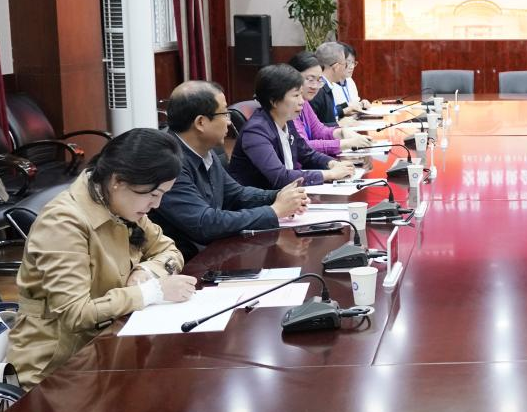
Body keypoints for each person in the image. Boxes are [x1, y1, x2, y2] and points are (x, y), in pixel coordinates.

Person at [7, 129, 197, 388]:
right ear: (118, 180)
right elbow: (76, 314)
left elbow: (169, 251)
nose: (157, 205)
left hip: (108, 347)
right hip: (57, 368)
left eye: (163, 194)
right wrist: (150, 292)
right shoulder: (63, 223)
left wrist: (147, 272)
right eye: (153, 194)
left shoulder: (120, 204)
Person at [151, 80, 309, 259]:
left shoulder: (205, 150)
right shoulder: (168, 162)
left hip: (214, 253)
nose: (228, 122)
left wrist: (279, 196)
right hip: (187, 263)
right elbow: (204, 224)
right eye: (225, 113)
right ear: (201, 122)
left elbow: (236, 194)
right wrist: (275, 211)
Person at [227, 63, 356, 189]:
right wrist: (330, 174)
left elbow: (306, 154)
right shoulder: (256, 132)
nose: (302, 101)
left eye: (301, 94)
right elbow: (280, 177)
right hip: (261, 200)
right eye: (296, 95)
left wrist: (332, 164)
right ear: (274, 101)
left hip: (288, 195)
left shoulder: (287, 120)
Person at [287, 52, 372, 156]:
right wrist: (345, 143)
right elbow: (303, 146)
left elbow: (319, 130)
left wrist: (341, 132)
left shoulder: (304, 102)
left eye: (319, 80)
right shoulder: (287, 106)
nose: (315, 86)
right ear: (293, 77)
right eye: (310, 79)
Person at [310, 41, 359, 126]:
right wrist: (338, 124)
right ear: (336, 67)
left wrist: (342, 112)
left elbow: (327, 114)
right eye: (345, 64)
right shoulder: (317, 90)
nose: (349, 67)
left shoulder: (326, 86)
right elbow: (312, 128)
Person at [338, 41, 371, 110]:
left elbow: (354, 103)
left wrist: (361, 104)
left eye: (353, 62)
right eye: (348, 62)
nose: (352, 67)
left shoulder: (349, 80)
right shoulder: (329, 84)